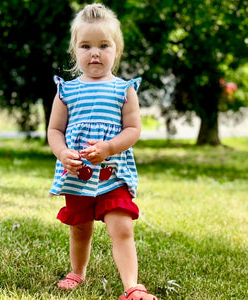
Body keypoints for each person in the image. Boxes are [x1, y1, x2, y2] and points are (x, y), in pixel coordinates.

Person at [48, 3, 157, 300]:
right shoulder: (66, 90)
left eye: (103, 45)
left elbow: (133, 130)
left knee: (121, 227)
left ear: (116, 50)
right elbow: (54, 131)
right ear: (75, 51)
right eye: (86, 46)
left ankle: (131, 286)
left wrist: (109, 147)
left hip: (114, 172)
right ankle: (78, 272)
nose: (94, 52)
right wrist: (61, 153)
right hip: (78, 173)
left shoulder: (124, 89)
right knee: (80, 228)